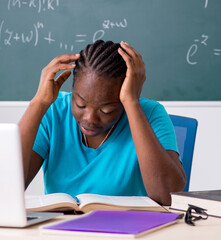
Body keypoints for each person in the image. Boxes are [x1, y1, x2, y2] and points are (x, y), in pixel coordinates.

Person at [19, 40, 186, 205]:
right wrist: (38, 104)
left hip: (126, 229)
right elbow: (6, 186)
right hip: (60, 229)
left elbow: (168, 196)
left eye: (106, 110)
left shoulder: (150, 114)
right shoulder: (54, 111)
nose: (89, 118)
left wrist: (132, 103)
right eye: (80, 104)